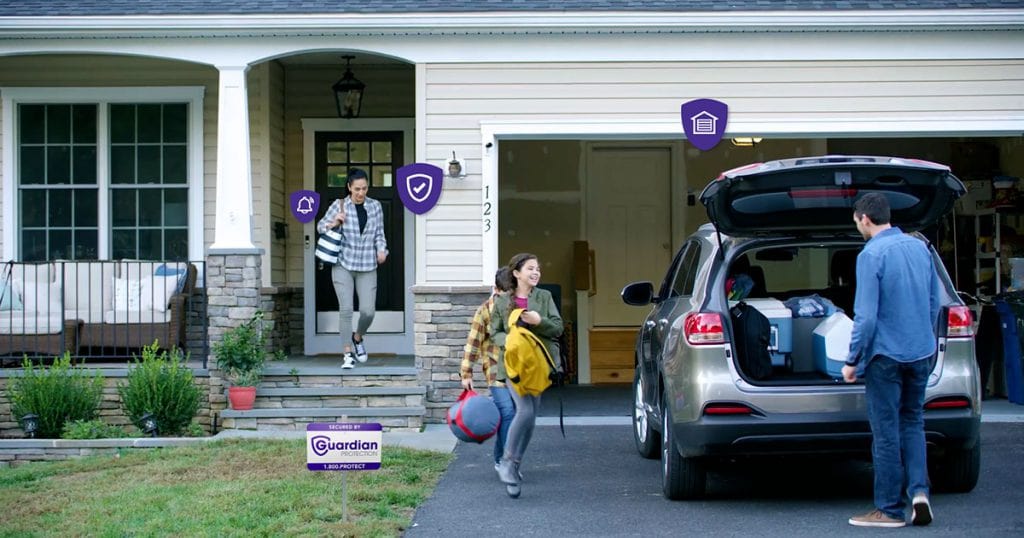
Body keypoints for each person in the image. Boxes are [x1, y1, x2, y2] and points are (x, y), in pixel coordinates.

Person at [842, 192, 939, 528]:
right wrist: (926, 341)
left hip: (885, 357)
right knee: (913, 423)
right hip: (921, 352)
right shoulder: (919, 248)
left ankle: (889, 510)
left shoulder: (871, 255)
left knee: (885, 433)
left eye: (856, 220)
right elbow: (933, 304)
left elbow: (865, 317)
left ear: (864, 219)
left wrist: (852, 359)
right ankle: (919, 493)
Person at [491, 253, 563, 497]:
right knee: (525, 410)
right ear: (516, 273)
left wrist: (539, 320)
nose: (536, 272)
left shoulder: (544, 297)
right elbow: (495, 333)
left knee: (531, 417)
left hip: (538, 365)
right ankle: (507, 462)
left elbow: (558, 327)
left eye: (538, 268)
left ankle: (515, 464)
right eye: (531, 268)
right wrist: (510, 341)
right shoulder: (502, 301)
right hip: (514, 365)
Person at [316, 168, 388, 369]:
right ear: (349, 187)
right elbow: (320, 227)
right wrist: (334, 222)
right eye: (357, 189)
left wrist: (382, 250)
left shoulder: (375, 206)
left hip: (367, 265)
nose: (361, 193)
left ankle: (358, 337)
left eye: (364, 188)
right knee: (346, 309)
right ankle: (347, 353)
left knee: (368, 311)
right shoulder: (339, 205)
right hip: (343, 264)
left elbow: (379, 234)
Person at [460, 267, 516, 474]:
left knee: (515, 414)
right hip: (495, 370)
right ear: (495, 289)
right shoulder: (485, 310)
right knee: (508, 412)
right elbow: (472, 343)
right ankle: (503, 460)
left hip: (518, 370)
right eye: (504, 294)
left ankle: (508, 457)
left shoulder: (519, 307)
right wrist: (466, 374)